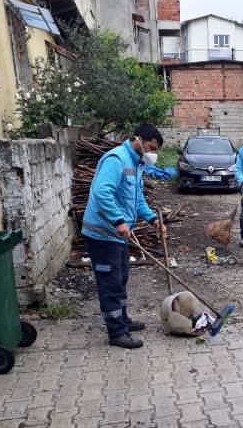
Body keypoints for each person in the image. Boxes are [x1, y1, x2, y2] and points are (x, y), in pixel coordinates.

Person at [82, 124, 165, 349]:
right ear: (138, 140)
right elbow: (101, 192)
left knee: (121, 278)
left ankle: (123, 319)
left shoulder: (136, 165)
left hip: (117, 236)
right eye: (151, 147)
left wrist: (153, 220)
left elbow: (137, 200)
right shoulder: (116, 160)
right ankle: (117, 333)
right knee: (110, 283)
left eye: (155, 150)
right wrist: (118, 221)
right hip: (102, 234)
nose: (152, 153)